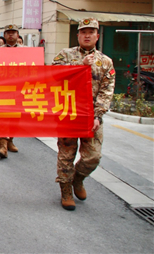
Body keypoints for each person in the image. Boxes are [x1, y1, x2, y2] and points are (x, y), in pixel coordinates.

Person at [52, 18, 115, 211]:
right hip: (69, 113)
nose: (87, 35)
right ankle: (66, 192)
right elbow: (53, 74)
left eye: (91, 32)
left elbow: (107, 90)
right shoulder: (65, 54)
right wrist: (80, 64)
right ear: (78, 35)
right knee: (66, 155)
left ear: (97, 36)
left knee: (93, 157)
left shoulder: (105, 61)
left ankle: (77, 179)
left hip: (91, 116)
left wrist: (97, 115)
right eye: (83, 31)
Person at [0, 24, 24, 159]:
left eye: (13, 32)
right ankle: (3, 146)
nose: (11, 35)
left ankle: (10, 140)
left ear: (18, 35)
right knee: (2, 116)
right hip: (3, 89)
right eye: (8, 33)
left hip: (19, 89)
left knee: (15, 117)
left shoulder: (26, 51)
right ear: (4, 35)